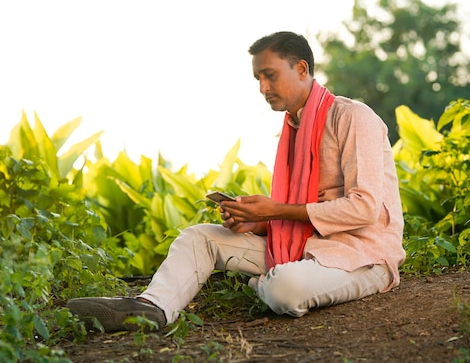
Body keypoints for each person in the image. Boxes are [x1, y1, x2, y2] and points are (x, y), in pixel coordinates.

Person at [66, 31, 405, 331]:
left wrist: (277, 210)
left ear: (301, 69)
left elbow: (365, 208)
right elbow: (297, 211)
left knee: (284, 289)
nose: (262, 88)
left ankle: (262, 284)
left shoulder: (354, 118)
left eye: (269, 76)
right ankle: (152, 307)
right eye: (258, 78)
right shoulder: (293, 129)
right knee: (199, 238)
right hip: (304, 249)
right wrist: (257, 221)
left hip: (362, 257)